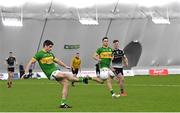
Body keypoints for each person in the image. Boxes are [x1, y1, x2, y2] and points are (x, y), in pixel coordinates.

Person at [21, 40, 88, 108]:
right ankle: (82, 80)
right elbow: (30, 62)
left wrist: (65, 66)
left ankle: (63, 104)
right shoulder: (39, 54)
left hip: (56, 71)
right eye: (50, 47)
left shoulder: (51, 54)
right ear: (45, 46)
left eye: (51, 47)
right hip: (51, 73)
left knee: (66, 84)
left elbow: (58, 61)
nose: (51, 48)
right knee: (64, 75)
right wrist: (25, 72)